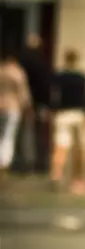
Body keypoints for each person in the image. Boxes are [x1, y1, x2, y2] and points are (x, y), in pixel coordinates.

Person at [51, 49, 85, 194]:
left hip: (63, 113)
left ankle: (56, 173)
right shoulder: (82, 78)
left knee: (61, 146)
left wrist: (54, 110)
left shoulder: (59, 77)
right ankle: (78, 179)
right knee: (79, 148)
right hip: (78, 114)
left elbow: (54, 97)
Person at [19, 34, 52, 174]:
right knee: (40, 133)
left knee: (24, 132)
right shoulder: (43, 63)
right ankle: (41, 164)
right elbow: (46, 85)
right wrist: (48, 104)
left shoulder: (22, 63)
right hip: (40, 102)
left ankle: (24, 163)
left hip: (24, 102)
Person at [0, 51, 32, 183]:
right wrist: (27, 107)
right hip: (12, 107)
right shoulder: (17, 72)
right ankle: (4, 163)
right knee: (8, 136)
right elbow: (23, 93)